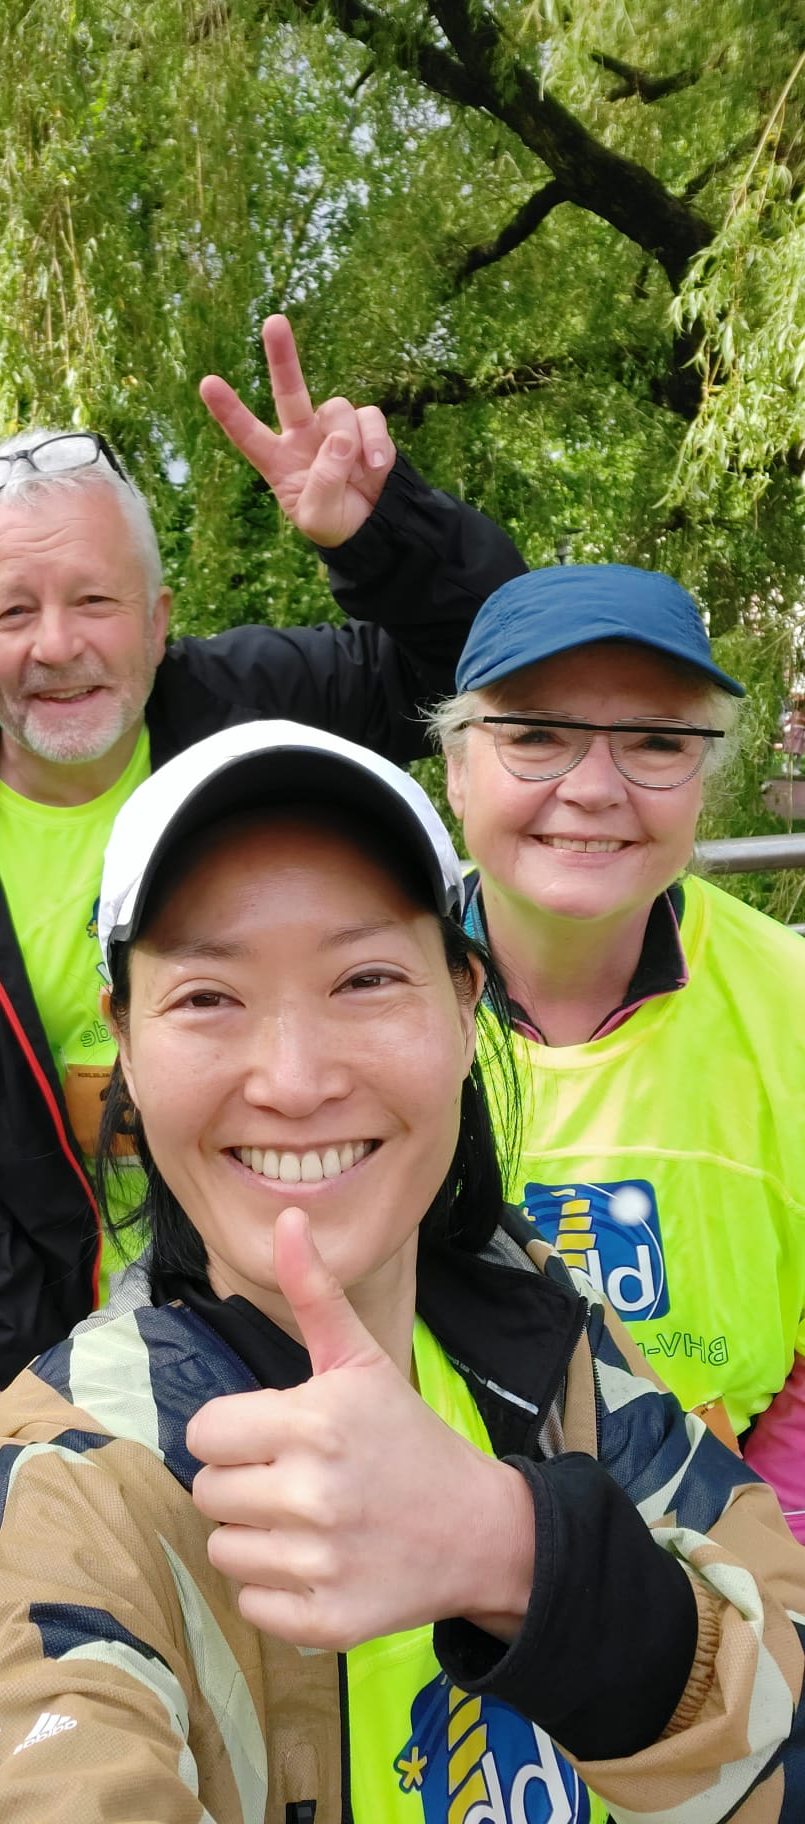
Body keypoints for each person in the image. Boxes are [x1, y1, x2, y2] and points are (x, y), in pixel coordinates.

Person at [0, 719, 805, 1822]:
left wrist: (518, 1553)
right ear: (125, 1037)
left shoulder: (550, 1340)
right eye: (209, 997)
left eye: (363, 979)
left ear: (466, 1006)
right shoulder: (72, 1487)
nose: (295, 1081)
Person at [0, 315, 521, 1412]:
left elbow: (502, 661)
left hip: (328, 1302)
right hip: (54, 1328)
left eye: (94, 601)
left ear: (157, 620)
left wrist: (377, 535)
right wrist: (59, 1366)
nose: (57, 646)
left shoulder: (264, 701)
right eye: (14, 611)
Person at [333, 483, 805, 1537]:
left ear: (703, 779)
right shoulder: (347, 1012)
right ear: (455, 767)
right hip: (420, 1581)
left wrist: (769, 1563)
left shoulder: (795, 1005)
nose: (595, 787)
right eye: (537, 735)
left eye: (654, 741)